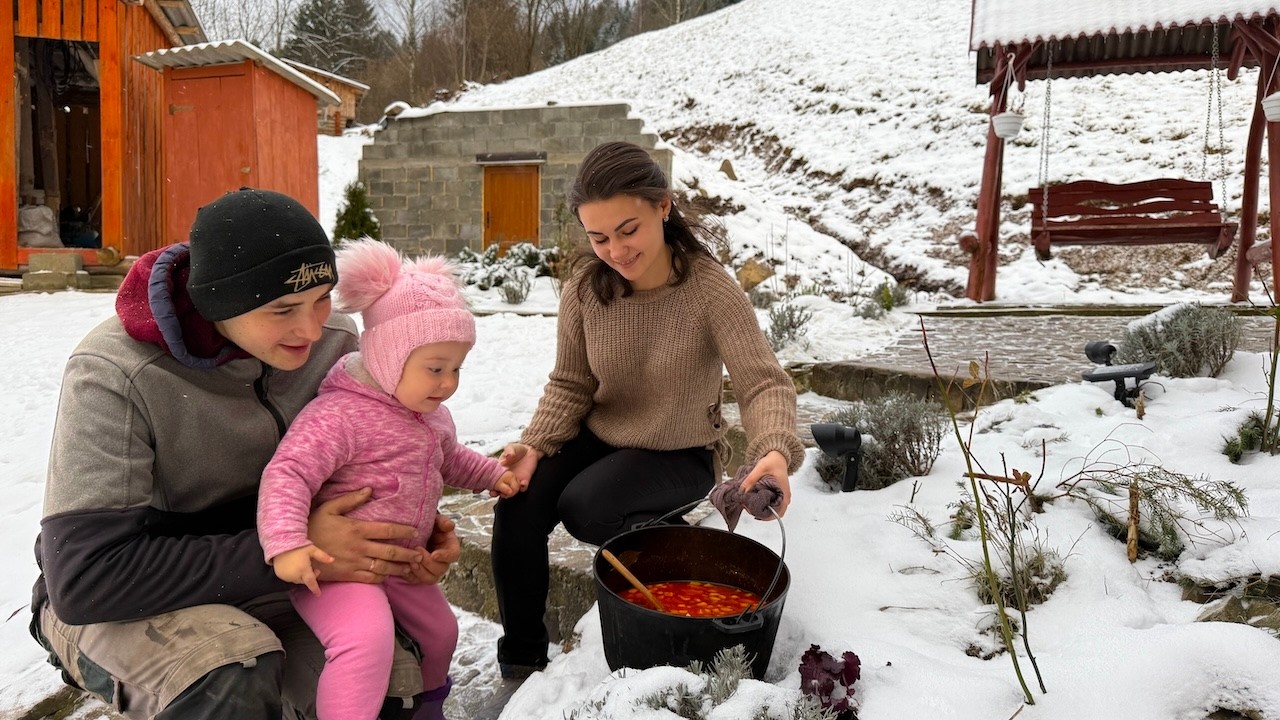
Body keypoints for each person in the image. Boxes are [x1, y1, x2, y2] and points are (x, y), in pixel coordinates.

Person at [29, 188, 461, 720]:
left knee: (389, 686)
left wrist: (409, 532)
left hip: (278, 570)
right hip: (129, 596)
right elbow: (86, 579)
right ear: (218, 305)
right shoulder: (113, 371)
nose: (312, 328)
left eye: (322, 298)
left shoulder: (336, 344)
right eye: (283, 309)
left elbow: (379, 453)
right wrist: (292, 549)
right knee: (232, 674)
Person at [493, 141, 807, 678]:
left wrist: (774, 453)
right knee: (518, 507)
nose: (615, 250)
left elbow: (762, 382)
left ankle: (672, 560)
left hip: (679, 451)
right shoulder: (585, 290)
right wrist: (535, 445)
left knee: (587, 505)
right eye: (598, 238)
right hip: (602, 436)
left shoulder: (709, 290)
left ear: (663, 206)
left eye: (627, 230)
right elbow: (570, 383)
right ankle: (522, 662)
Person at [257, 239, 522, 720]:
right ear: (387, 356)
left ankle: (427, 709)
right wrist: (288, 543)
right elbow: (288, 473)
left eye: (456, 368)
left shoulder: (430, 415)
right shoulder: (340, 415)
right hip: (339, 568)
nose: (448, 383)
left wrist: (491, 475)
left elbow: (449, 458)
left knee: (441, 633)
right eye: (435, 368)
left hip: (402, 562)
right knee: (366, 641)